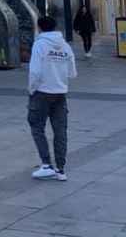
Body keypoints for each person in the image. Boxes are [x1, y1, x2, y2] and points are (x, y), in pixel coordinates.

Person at [28, 15, 77, 182]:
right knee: (60, 131)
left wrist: (31, 89)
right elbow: (72, 72)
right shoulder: (65, 46)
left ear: (39, 27)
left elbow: (34, 71)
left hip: (42, 92)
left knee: (37, 127)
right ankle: (61, 169)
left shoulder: (40, 44)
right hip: (60, 93)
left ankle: (46, 165)